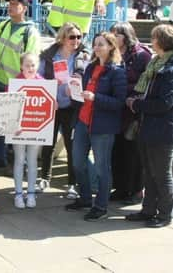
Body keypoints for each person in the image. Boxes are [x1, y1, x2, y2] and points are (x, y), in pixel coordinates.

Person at [66, 32, 126, 221]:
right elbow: (83, 95)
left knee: (102, 168)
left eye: (101, 44)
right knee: (78, 162)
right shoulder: (91, 67)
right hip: (83, 121)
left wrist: (95, 98)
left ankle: (101, 206)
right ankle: (85, 199)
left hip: (103, 127)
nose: (97, 47)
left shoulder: (117, 71)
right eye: (95, 44)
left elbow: (119, 102)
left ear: (111, 46)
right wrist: (74, 92)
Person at [125, 24, 173, 228]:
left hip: (162, 129)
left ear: (162, 41)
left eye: (154, 38)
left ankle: (164, 215)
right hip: (147, 126)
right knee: (149, 172)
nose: (151, 41)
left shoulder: (169, 69)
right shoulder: (156, 63)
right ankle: (148, 210)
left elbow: (165, 103)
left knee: (161, 174)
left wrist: (137, 104)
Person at [37, 22, 89, 198]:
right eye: (72, 37)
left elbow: (89, 79)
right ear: (62, 38)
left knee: (71, 144)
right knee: (48, 143)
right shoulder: (50, 55)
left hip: (73, 106)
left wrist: (78, 82)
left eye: (79, 37)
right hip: (52, 103)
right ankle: (44, 177)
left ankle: (71, 184)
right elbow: (39, 77)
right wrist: (50, 91)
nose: (76, 40)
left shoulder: (83, 55)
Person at [0, 0, 41, 168]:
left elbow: (31, 60)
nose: (10, 6)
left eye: (15, 4)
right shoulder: (4, 24)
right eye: (10, 4)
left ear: (24, 8)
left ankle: (19, 162)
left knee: (15, 126)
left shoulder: (31, 32)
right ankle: (0, 159)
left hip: (16, 85)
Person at [109, 22, 152, 204]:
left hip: (133, 111)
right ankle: (120, 188)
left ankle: (136, 190)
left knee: (133, 153)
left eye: (115, 35)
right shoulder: (113, 54)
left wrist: (124, 90)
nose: (112, 38)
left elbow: (147, 83)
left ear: (125, 36)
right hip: (116, 110)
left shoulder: (142, 55)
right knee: (117, 151)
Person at [12, 53, 43, 209]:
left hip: (36, 129)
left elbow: (49, 103)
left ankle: (31, 193)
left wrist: (54, 105)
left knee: (32, 161)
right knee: (19, 159)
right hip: (19, 130)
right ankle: (18, 194)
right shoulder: (15, 82)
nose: (30, 68)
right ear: (21, 66)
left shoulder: (43, 83)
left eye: (33, 65)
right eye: (27, 65)